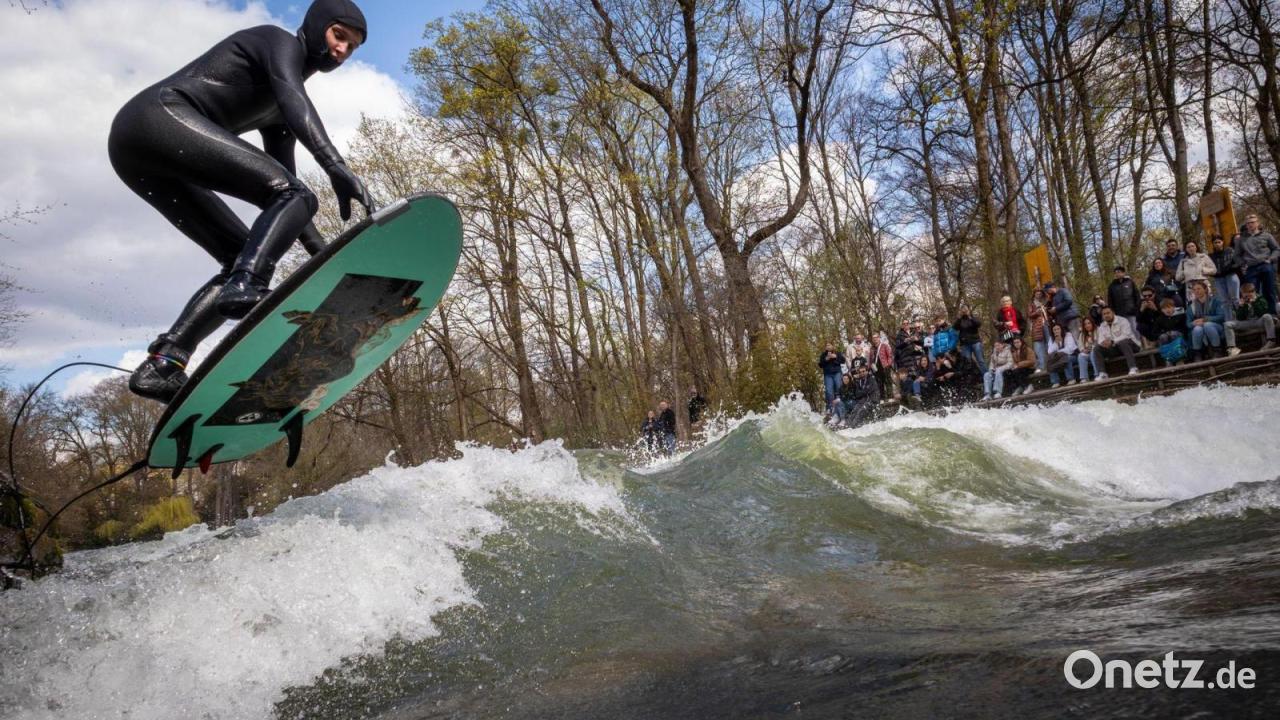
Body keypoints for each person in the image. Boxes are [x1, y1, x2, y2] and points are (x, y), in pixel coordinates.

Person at [110, 0, 375, 402]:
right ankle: (246, 287)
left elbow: (285, 186)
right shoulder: (276, 42)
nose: (342, 51)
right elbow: (292, 97)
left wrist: (322, 254)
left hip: (141, 157)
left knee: (244, 250)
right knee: (283, 212)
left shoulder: (281, 111)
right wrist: (336, 166)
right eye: (339, 36)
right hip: (154, 119)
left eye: (352, 47)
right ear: (318, 26)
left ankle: (164, 362)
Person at [1238, 214, 1280, 314]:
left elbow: (1277, 249)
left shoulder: (1267, 235)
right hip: (1251, 267)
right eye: (1248, 223)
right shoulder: (1241, 239)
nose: (1250, 225)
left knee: (1269, 291)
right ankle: (1259, 314)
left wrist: (1270, 259)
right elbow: (1236, 255)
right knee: (1252, 293)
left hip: (1265, 265)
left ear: (1257, 223)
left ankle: (1272, 314)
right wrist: (1243, 263)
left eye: (1252, 222)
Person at [1226, 282, 1278, 355]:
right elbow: (1240, 318)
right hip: (1247, 323)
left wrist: (1254, 303)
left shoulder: (1261, 299)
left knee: (1267, 316)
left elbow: (1262, 313)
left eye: (1248, 294)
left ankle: (1271, 340)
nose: (1247, 296)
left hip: (1258, 321)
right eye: (1244, 294)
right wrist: (1242, 306)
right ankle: (1232, 348)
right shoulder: (1243, 301)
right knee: (1228, 324)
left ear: (1253, 292)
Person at [1092, 306, 1140, 379]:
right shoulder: (1102, 325)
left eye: (1108, 313)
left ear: (1113, 313)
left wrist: (1112, 341)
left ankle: (1133, 368)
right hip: (1115, 349)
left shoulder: (1123, 320)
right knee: (1097, 348)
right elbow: (1100, 340)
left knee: (1123, 342)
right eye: (1104, 314)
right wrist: (1104, 343)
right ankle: (1102, 373)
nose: (1106, 315)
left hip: (1131, 346)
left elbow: (1126, 335)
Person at [1185, 280, 1226, 361]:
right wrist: (1194, 323)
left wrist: (1205, 320)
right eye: (1194, 290)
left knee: (1208, 325)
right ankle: (1198, 354)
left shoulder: (1215, 301)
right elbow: (1188, 324)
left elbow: (1221, 316)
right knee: (1197, 329)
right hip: (1200, 328)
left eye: (1199, 289)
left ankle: (1217, 350)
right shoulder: (1191, 306)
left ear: (1205, 289)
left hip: (1216, 327)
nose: (1197, 291)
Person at [1208, 234, 1242, 310]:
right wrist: (1214, 273)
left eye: (1219, 242)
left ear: (1222, 242)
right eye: (1215, 242)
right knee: (1225, 301)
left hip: (1231, 275)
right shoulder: (1210, 256)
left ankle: (1240, 317)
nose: (1217, 244)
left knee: (1235, 298)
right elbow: (1208, 268)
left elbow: (1238, 262)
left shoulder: (1229, 251)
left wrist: (1230, 268)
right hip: (1218, 279)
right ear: (1213, 244)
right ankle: (1229, 320)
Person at [1107, 265, 1142, 336]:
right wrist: (1112, 311)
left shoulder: (1130, 282)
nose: (1117, 274)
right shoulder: (1112, 286)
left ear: (1123, 273)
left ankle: (1139, 344)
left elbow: (1137, 296)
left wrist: (1137, 307)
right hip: (1119, 313)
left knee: (1135, 329)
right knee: (1124, 331)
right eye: (1116, 272)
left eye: (1119, 272)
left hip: (1131, 311)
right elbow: (1110, 300)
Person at [1045, 281, 1081, 346]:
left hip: (1071, 318)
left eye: (1048, 290)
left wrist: (1056, 308)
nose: (1048, 292)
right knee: (1070, 341)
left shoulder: (1063, 291)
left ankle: (1083, 353)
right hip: (1063, 322)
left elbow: (1069, 301)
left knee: (1077, 338)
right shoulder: (1052, 297)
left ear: (1052, 287)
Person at [1153, 299, 1188, 367]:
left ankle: (1179, 359)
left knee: (1173, 334)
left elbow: (1184, 328)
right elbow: (1155, 333)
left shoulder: (1180, 315)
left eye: (1169, 307)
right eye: (1164, 308)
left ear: (1174, 307)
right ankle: (1168, 359)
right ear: (1161, 310)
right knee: (1163, 337)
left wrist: (1173, 330)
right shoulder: (1159, 319)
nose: (1167, 310)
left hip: (1178, 336)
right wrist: (1164, 333)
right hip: (1166, 338)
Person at [953, 305, 985, 373]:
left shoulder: (973, 317)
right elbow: (955, 327)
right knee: (967, 362)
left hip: (975, 342)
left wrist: (970, 317)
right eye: (963, 310)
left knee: (980, 360)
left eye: (966, 309)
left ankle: (986, 377)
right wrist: (959, 318)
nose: (964, 311)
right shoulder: (960, 320)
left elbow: (978, 324)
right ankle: (972, 380)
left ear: (969, 310)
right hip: (965, 344)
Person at [1044, 323, 1077, 388]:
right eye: (1054, 330)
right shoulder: (1051, 339)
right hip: (1059, 358)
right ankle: (1055, 381)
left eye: (1058, 329)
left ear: (1061, 329)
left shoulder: (1068, 335)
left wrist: (1058, 352)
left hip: (1072, 356)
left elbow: (1070, 349)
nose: (1056, 331)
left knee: (1066, 358)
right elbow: (1049, 352)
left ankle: (1071, 379)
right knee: (1050, 360)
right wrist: (1056, 343)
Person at [817, 342, 846, 414]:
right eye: (827, 345)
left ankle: (840, 405)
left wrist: (835, 357)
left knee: (838, 389)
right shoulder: (823, 355)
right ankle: (830, 408)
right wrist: (826, 359)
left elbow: (843, 361)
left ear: (833, 346)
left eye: (829, 345)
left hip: (837, 373)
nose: (828, 347)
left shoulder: (837, 353)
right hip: (828, 375)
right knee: (829, 391)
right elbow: (820, 365)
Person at [1026, 290, 1051, 372]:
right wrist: (1036, 312)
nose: (1038, 295)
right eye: (1037, 293)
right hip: (1037, 326)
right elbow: (1029, 315)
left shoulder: (1045, 302)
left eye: (1040, 293)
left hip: (1047, 324)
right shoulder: (1032, 304)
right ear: (1034, 295)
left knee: (1049, 344)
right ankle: (1041, 365)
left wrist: (1044, 290)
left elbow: (1048, 297)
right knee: (1039, 346)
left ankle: (1050, 364)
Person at [874, 331, 897, 399]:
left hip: (885, 366)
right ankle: (882, 398)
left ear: (879, 338)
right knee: (880, 383)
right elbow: (871, 358)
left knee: (888, 382)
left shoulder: (884, 345)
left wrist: (888, 364)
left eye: (876, 337)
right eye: (873, 338)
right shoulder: (872, 348)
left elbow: (890, 355)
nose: (875, 339)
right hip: (876, 368)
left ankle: (890, 397)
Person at [1075, 317, 1098, 384]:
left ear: (1092, 323)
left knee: (1093, 353)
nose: (1087, 325)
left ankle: (1097, 374)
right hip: (1087, 352)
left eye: (1089, 323)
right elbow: (1080, 345)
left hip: (1097, 351)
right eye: (1085, 324)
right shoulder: (1082, 334)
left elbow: (1099, 342)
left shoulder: (1097, 330)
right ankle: (1084, 377)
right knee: (1080, 356)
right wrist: (1083, 350)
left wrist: (1092, 348)